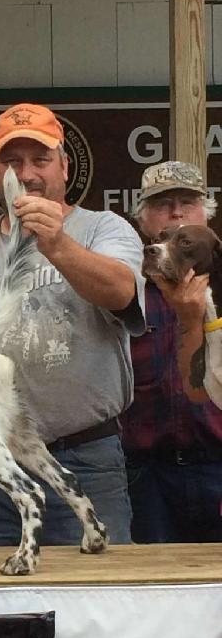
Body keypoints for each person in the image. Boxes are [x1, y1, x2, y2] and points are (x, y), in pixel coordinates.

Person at [0, 102, 145, 548]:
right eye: (12, 160)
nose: (27, 173)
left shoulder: (104, 229)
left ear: (64, 165)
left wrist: (57, 244)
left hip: (85, 460)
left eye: (40, 159)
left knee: (98, 605)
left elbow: (121, 292)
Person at [121, 160, 222, 543]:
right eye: (163, 204)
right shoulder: (125, 292)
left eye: (187, 202)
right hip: (147, 476)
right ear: (144, 220)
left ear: (206, 215)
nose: (176, 212)